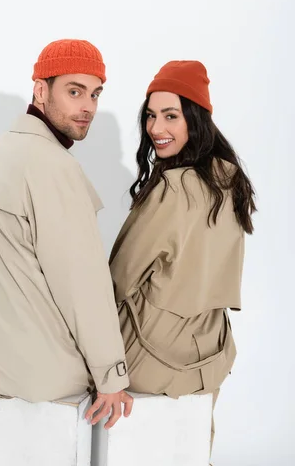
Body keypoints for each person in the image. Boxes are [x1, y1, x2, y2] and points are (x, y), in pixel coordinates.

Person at [0, 39, 133, 466]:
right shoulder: (52, 166)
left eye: (95, 93)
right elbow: (82, 283)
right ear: (40, 91)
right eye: (74, 91)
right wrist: (111, 376)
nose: (87, 105)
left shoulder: (0, 151)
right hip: (36, 390)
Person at [109, 60, 256, 458]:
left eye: (171, 116)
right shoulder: (231, 181)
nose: (156, 129)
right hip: (210, 351)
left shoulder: (173, 189)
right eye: (151, 116)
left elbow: (118, 280)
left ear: (195, 118)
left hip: (150, 354)